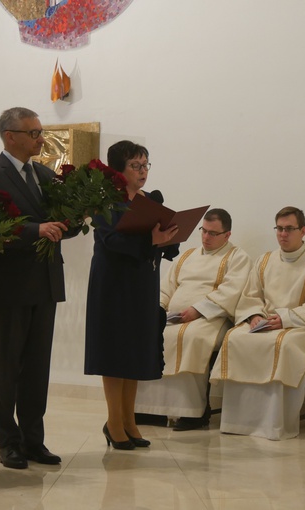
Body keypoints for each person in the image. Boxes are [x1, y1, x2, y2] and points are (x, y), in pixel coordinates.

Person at [0, 107, 72, 469]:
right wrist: (34, 230)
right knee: (7, 367)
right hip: (8, 287)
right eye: (34, 132)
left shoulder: (44, 174)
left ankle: (33, 440)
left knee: (37, 368)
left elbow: (61, 224)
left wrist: (78, 213)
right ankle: (7, 442)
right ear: (10, 136)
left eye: (41, 131)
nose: (40, 138)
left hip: (44, 283)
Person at [210, 206, 305, 440]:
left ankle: (274, 424)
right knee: (235, 337)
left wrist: (285, 319)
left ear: (303, 231)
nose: (283, 234)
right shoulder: (265, 260)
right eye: (279, 228)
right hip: (266, 323)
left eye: (289, 229)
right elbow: (250, 296)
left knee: (285, 346)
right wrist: (254, 315)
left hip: (303, 328)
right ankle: (238, 421)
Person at [85, 140, 180, 450]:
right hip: (113, 284)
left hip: (142, 283)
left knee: (135, 352)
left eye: (145, 165)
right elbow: (111, 240)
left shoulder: (150, 200)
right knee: (115, 353)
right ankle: (114, 423)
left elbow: (163, 244)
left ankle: (129, 421)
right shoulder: (105, 201)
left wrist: (166, 237)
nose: (142, 172)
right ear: (118, 170)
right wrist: (150, 241)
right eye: (135, 166)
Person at [134, 209, 252, 431]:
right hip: (174, 317)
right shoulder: (188, 255)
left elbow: (232, 291)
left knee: (192, 338)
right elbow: (166, 287)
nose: (206, 238)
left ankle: (193, 413)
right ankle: (150, 410)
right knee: (148, 331)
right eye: (203, 231)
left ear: (227, 235)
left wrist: (198, 310)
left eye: (213, 234)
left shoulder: (237, 257)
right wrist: (157, 308)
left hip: (210, 317)